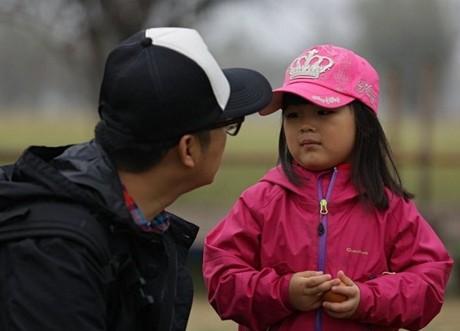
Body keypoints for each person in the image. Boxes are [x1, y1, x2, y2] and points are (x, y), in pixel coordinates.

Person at [0, 27, 272, 331]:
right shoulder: (57, 257)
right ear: (188, 149)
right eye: (227, 125)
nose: (226, 137)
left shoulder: (132, 223)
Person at [202, 44, 453, 331]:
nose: (305, 126)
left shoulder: (389, 205)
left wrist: (367, 298)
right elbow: (222, 278)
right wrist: (283, 292)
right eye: (293, 115)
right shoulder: (259, 201)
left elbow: (429, 283)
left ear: (363, 121)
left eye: (323, 111)